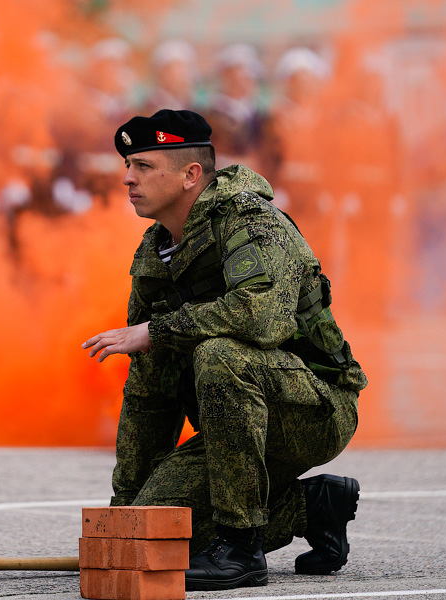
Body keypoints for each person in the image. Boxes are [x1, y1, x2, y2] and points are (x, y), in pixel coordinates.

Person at [82, 109, 367, 591]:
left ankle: (240, 548)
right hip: (235, 423)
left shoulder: (251, 221)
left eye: (144, 166)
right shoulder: (157, 251)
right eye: (128, 165)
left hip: (311, 408)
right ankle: (311, 506)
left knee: (220, 354)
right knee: (156, 537)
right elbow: (149, 392)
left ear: (191, 174)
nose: (127, 178)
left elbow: (263, 316)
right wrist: (124, 519)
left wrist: (157, 330)